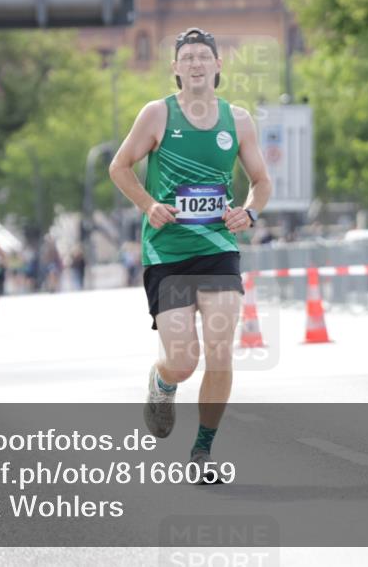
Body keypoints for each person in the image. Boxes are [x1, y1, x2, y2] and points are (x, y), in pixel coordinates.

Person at [109, 28, 271, 480]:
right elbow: (119, 166)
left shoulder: (237, 120)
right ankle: (162, 384)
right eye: (188, 57)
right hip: (169, 253)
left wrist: (250, 212)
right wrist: (149, 205)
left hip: (219, 249)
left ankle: (202, 451)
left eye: (204, 56)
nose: (196, 63)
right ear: (176, 69)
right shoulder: (157, 114)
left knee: (220, 354)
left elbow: (261, 181)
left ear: (219, 66)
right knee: (183, 360)